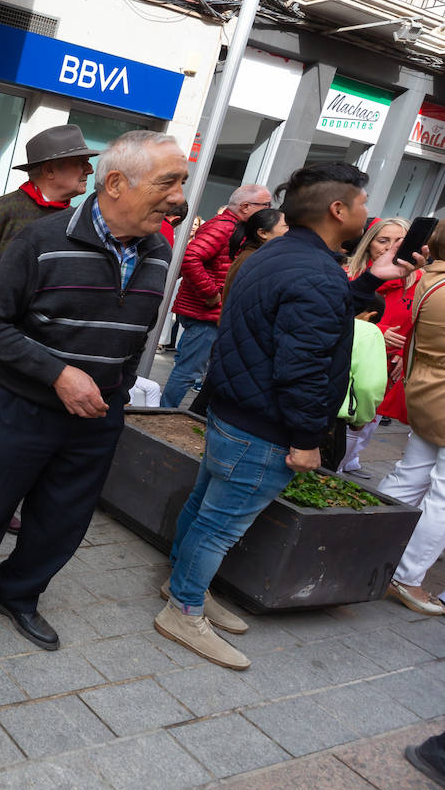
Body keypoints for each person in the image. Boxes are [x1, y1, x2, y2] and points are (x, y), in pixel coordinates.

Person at [0, 131, 187, 661]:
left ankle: (15, 594)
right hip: (22, 410)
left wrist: (119, 383)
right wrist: (58, 374)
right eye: (168, 182)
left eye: (180, 181)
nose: (180, 196)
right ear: (116, 184)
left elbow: (136, 333)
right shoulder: (41, 239)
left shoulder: (158, 250)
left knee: (62, 520)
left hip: (97, 417)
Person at [156, 164, 423, 670]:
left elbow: (306, 319)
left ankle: (184, 585)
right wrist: (306, 439)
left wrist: (367, 280)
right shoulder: (314, 271)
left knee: (206, 506)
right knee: (219, 524)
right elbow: (302, 365)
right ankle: (184, 608)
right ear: (338, 210)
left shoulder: (280, 252)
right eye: (364, 204)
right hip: (264, 425)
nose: (369, 213)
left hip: (234, 411)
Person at [0, 124, 97, 446]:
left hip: (38, 345)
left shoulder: (77, 221)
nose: (89, 169)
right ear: (50, 170)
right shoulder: (2, 212)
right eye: (80, 161)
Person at [377, 221, 445, 615]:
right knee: (440, 492)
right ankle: (407, 575)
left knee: (413, 472)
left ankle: (371, 543)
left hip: (426, 387)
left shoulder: (428, 276)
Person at [160, 184, 274, 408]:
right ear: (245, 207)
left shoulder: (233, 226)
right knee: (188, 371)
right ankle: (162, 415)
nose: (269, 210)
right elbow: (191, 258)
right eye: (266, 205)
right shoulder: (224, 227)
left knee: (190, 368)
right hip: (205, 314)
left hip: (207, 313)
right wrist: (211, 294)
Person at [340, 217, 416, 475]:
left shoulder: (420, 282)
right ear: (369, 243)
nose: (390, 248)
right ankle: (335, 465)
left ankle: (350, 461)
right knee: (349, 416)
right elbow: (329, 317)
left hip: (392, 365)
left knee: (371, 420)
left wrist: (409, 358)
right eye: (383, 241)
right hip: (350, 357)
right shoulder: (349, 274)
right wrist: (374, 332)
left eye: (399, 242)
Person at [221, 208, 286, 301]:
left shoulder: (258, 256)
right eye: (286, 226)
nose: (291, 231)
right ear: (263, 233)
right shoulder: (254, 260)